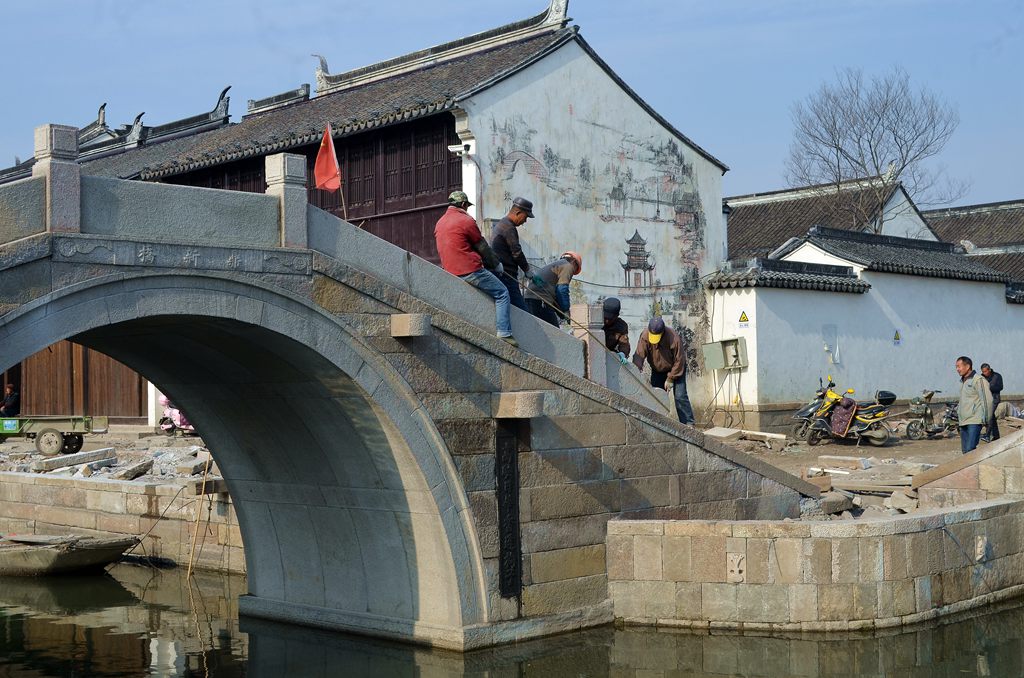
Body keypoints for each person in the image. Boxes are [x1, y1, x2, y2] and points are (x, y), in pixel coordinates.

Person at [434, 191, 517, 346]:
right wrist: (496, 264)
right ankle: (504, 332)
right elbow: (483, 247)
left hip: (450, 271)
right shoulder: (466, 221)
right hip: (469, 270)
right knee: (502, 293)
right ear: (464, 205)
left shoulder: (440, 222)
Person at [633, 317, 695, 424]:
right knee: (657, 397)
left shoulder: (673, 337)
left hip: (676, 369)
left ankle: (688, 424)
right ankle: (658, 423)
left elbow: (679, 360)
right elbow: (639, 356)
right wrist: (636, 372)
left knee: (680, 397)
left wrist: (671, 378)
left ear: (662, 332)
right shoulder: (645, 336)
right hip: (657, 370)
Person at [490, 197, 534, 312]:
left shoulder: (502, 224)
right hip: (507, 276)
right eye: (525, 217)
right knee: (523, 312)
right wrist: (527, 269)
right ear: (518, 213)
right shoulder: (509, 228)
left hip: (502, 274)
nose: (525, 221)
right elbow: (517, 252)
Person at [525, 251, 582, 327]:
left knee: (537, 330)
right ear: (574, 262)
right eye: (575, 269)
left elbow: (554, 296)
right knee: (554, 332)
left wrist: (562, 313)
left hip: (532, 298)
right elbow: (562, 290)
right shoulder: (568, 266)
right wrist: (566, 310)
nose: (572, 273)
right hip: (540, 301)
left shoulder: (558, 265)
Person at [956, 355, 992, 454]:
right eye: (956, 367)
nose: (957, 369)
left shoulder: (978, 380)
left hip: (974, 420)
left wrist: (986, 419)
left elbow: (987, 400)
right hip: (963, 421)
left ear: (967, 366)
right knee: (965, 452)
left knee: (970, 450)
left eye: (959, 366)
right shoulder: (963, 381)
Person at [602, 297, 630, 365]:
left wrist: (623, 353)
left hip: (609, 357)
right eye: (605, 318)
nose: (607, 321)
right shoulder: (595, 321)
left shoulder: (621, 326)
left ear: (617, 315)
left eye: (610, 318)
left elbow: (624, 344)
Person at [981, 363, 1003, 442]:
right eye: (983, 372)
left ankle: (987, 435)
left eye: (985, 371)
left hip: (994, 399)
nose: (984, 373)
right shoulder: (982, 377)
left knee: (989, 416)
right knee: (992, 418)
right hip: (985, 400)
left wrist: (989, 387)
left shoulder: (997, 376)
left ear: (989, 370)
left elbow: (1000, 387)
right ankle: (996, 436)